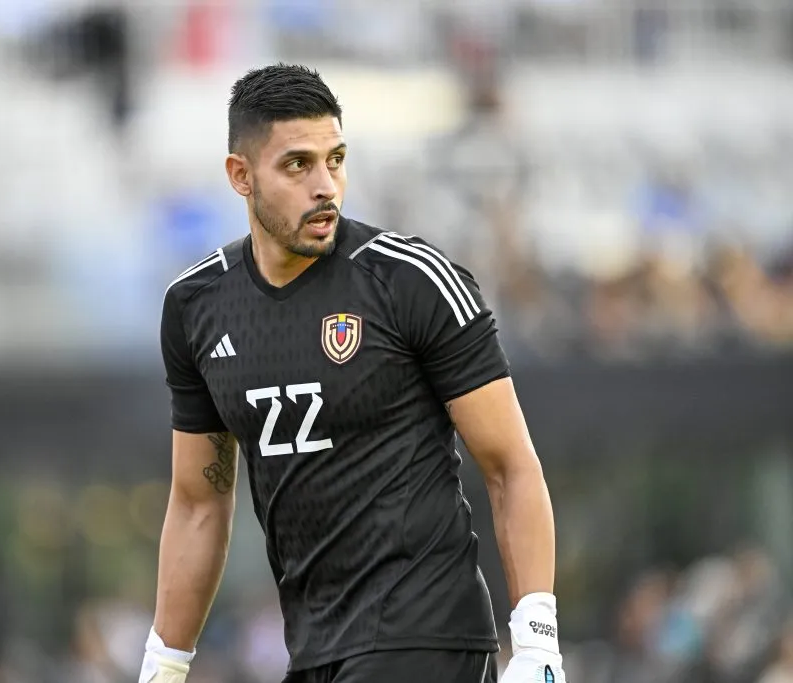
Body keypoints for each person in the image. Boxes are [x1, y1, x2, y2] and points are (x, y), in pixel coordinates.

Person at [144, 64, 566, 683]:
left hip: (423, 631)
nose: (326, 186)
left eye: (335, 160)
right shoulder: (196, 307)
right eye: (298, 165)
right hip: (313, 647)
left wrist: (536, 647)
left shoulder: (410, 280)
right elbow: (199, 501)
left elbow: (511, 466)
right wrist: (164, 663)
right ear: (241, 176)